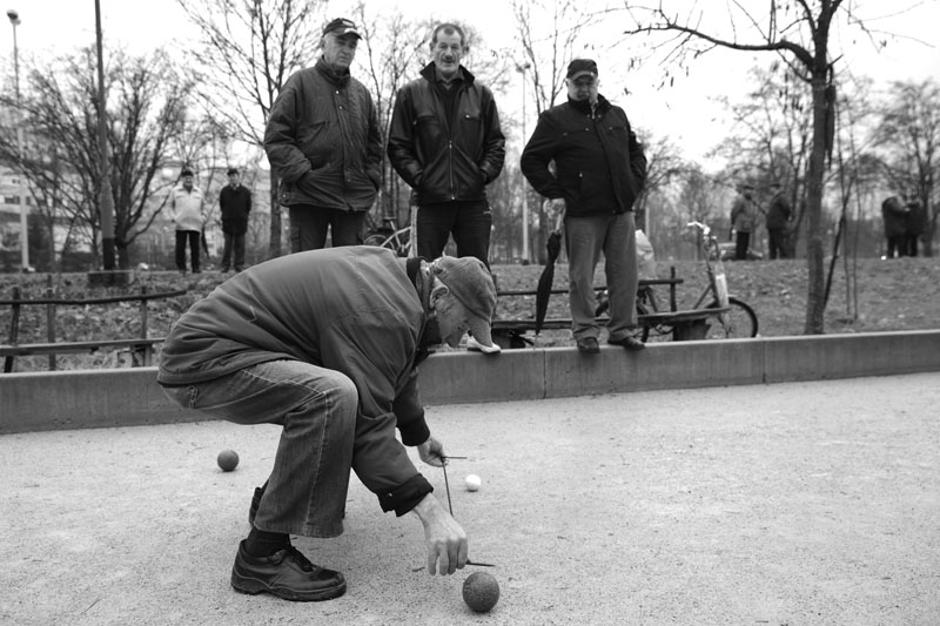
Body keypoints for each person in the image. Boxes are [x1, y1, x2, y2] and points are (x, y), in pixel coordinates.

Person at [157, 247, 499, 602]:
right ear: (441, 297)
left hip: (223, 351)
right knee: (332, 397)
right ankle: (262, 555)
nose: (457, 340)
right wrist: (431, 512)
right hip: (204, 360)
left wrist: (418, 434)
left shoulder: (400, 286)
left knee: (336, 394)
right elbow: (368, 423)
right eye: (462, 326)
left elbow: (391, 369)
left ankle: (272, 505)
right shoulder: (382, 308)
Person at [520, 58, 646, 354]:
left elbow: (635, 153)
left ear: (597, 82)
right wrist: (554, 193)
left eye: (589, 81)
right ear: (568, 84)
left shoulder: (616, 115)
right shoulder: (555, 120)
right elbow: (531, 160)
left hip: (620, 209)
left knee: (626, 274)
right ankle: (586, 332)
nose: (584, 87)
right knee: (581, 278)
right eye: (578, 82)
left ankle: (622, 330)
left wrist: (632, 183)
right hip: (582, 212)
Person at [387, 22, 506, 266]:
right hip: (429, 202)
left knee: (477, 274)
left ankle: (475, 307)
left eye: (455, 47)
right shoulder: (410, 93)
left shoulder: (482, 94)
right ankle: (427, 307)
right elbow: (397, 146)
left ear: (464, 50)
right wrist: (421, 179)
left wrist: (480, 175)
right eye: (442, 46)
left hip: (472, 202)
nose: (448, 53)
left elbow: (496, 143)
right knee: (422, 273)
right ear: (431, 48)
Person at [264, 18, 382, 252]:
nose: (346, 49)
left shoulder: (362, 94)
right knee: (306, 273)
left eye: (352, 45)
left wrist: (370, 179)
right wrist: (303, 174)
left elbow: (375, 146)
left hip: (352, 200)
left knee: (351, 275)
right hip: (309, 197)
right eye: (340, 41)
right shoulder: (300, 83)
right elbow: (276, 138)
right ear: (323, 43)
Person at [168, 168, 205, 274]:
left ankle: (196, 267)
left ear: (193, 179)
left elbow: (204, 206)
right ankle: (181, 268)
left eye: (190, 178)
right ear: (182, 179)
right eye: (186, 178)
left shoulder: (199, 191)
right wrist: (173, 217)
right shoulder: (175, 191)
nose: (188, 180)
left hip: (195, 223)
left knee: (195, 248)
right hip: (181, 223)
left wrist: (203, 217)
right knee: (180, 247)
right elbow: (169, 205)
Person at [218, 167, 252, 272]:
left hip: (241, 222)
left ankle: (239, 265)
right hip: (228, 222)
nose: (232, 178)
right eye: (230, 176)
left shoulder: (245, 192)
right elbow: (222, 205)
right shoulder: (224, 191)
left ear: (238, 177)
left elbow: (248, 206)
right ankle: (225, 266)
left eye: (234, 176)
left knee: (240, 246)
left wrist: (243, 216)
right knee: (227, 246)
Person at [730, 185, 759, 261]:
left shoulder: (750, 200)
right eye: (748, 190)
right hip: (741, 224)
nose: (750, 192)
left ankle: (743, 256)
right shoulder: (740, 199)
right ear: (744, 190)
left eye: (751, 190)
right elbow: (734, 211)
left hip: (748, 224)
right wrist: (733, 221)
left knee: (746, 240)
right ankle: (739, 257)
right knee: (740, 240)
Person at [765, 182, 793, 260]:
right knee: (772, 243)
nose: (770, 189)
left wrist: (783, 218)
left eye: (772, 187)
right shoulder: (774, 198)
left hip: (778, 224)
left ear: (776, 188)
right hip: (772, 224)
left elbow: (787, 208)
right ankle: (772, 258)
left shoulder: (781, 197)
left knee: (779, 242)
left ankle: (785, 257)